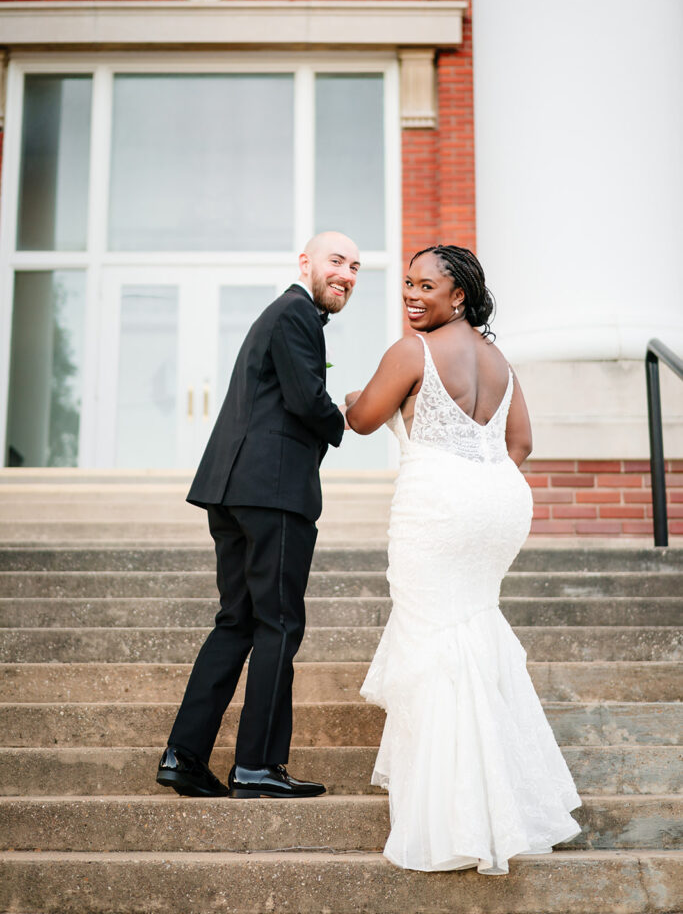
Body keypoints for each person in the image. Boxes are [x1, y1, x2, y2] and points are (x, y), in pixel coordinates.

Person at [345, 244, 581, 874]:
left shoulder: (410, 352)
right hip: (500, 501)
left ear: (460, 297)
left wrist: (349, 398)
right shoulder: (499, 359)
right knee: (471, 626)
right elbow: (521, 442)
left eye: (427, 287)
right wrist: (480, 482)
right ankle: (503, 798)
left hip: (438, 505)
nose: (413, 296)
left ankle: (453, 820)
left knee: (433, 641)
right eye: (408, 286)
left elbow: (365, 419)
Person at [157, 231, 360, 799]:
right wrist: (348, 416)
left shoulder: (285, 315)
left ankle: (185, 755)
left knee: (238, 622)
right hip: (272, 492)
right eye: (336, 261)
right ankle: (258, 766)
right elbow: (304, 400)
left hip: (234, 490)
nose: (346, 274)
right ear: (306, 263)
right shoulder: (296, 313)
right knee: (278, 624)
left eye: (355, 268)